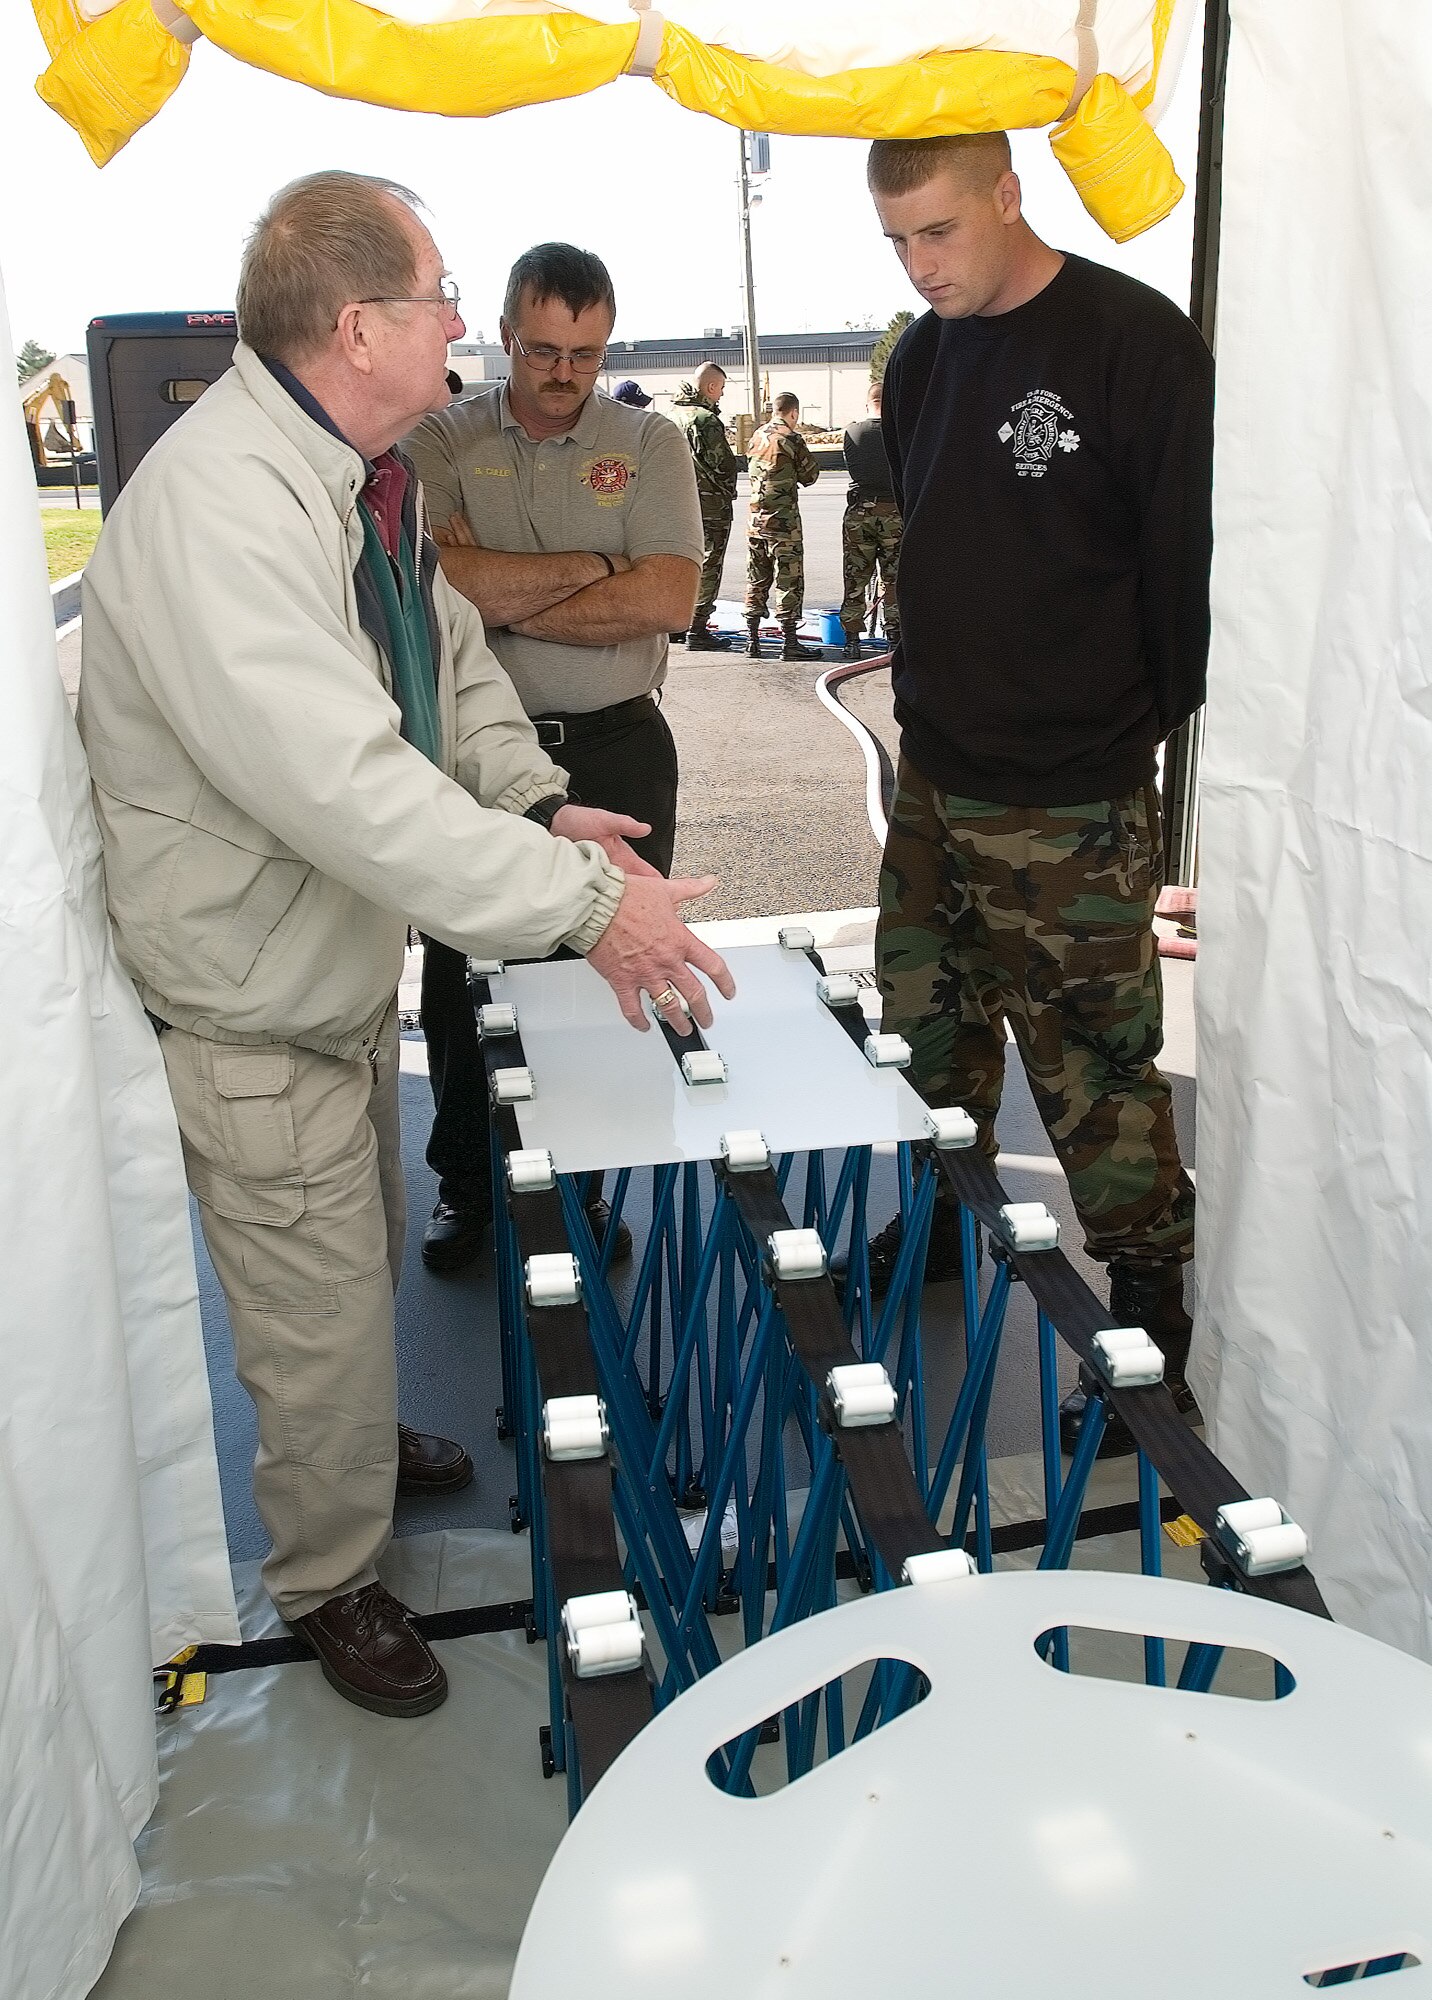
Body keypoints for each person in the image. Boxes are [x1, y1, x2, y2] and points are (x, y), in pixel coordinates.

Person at [76, 171, 733, 1718]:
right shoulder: (227, 506)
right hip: (253, 989)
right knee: (310, 1296)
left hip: (319, 969)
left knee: (354, 1241)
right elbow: (348, 783)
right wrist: (588, 911)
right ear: (358, 323)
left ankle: (357, 1441)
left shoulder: (351, 476)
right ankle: (330, 1575)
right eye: (441, 296)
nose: (464, 324)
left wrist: (537, 803)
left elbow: (448, 672)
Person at [856, 132, 1211, 1456]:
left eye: (939, 232)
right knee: (926, 1030)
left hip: (1069, 798)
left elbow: (1190, 587)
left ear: (1011, 196)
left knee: (1097, 1078)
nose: (919, 264)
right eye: (896, 241)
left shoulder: (1135, 346)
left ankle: (1149, 1334)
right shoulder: (924, 353)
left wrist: (1110, 735)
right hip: (938, 780)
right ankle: (944, 1220)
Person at [403, 243, 704, 1275]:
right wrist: (598, 564)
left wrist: (508, 589)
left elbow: (669, 598)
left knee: (606, 964)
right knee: (462, 969)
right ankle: (469, 1185)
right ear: (502, 333)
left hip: (619, 748)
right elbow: (447, 591)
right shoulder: (439, 438)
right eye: (542, 349)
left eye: (584, 351)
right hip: (484, 758)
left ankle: (580, 1182)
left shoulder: (649, 441)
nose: (563, 372)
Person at [744, 391, 821, 661]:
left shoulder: (755, 436)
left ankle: (752, 641)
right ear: (794, 413)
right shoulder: (791, 438)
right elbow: (810, 476)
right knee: (788, 580)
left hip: (755, 521)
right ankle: (789, 642)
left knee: (757, 578)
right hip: (783, 523)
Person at [673, 362, 739, 651]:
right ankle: (697, 628)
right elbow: (723, 465)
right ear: (711, 387)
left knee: (679, 563)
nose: (721, 395)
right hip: (709, 505)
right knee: (708, 564)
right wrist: (728, 492)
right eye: (721, 388)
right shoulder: (705, 420)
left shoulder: (671, 415)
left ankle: (675, 624)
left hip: (675, 503)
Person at [840, 379, 902, 660]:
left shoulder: (852, 431)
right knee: (894, 578)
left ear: (868, 403)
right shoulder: (899, 431)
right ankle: (894, 638)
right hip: (893, 513)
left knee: (855, 578)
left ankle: (852, 639)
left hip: (859, 513)